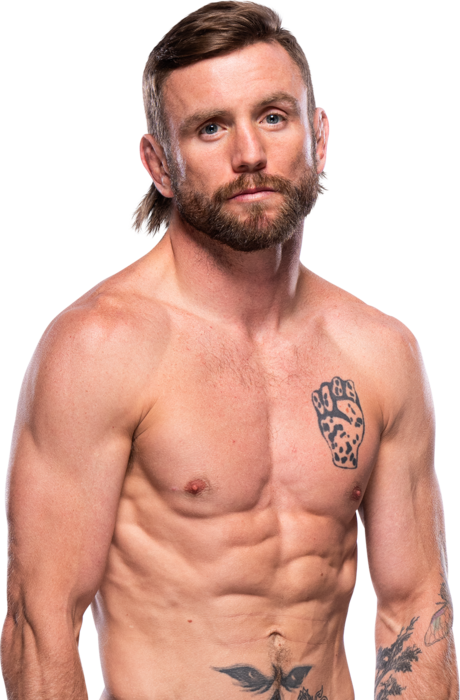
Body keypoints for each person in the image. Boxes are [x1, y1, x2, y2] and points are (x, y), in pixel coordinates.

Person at [1, 1, 457, 698]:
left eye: (273, 117)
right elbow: (41, 625)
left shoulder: (379, 351)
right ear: (160, 164)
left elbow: (415, 606)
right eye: (210, 128)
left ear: (318, 135)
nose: (249, 154)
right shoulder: (101, 348)